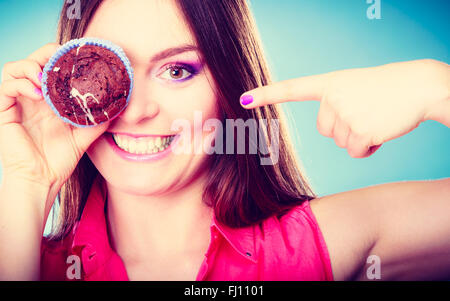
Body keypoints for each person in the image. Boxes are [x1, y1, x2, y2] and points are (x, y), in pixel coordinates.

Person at [0, 0, 448, 281]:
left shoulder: (323, 243)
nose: (136, 111)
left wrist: (434, 88)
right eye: (108, 71)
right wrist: (24, 184)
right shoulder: (22, 260)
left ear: (229, 85)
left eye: (177, 71)